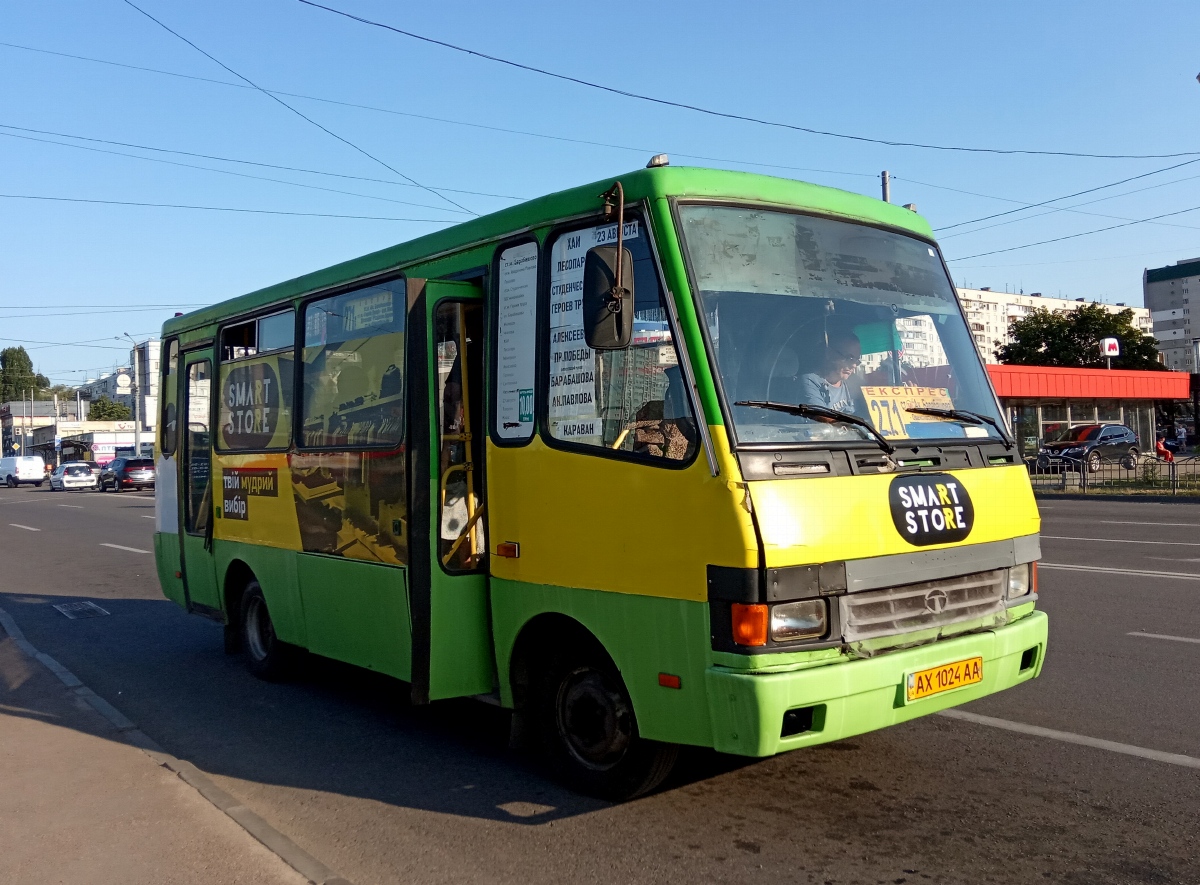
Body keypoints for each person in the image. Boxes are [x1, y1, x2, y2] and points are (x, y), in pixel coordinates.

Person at [800, 329, 862, 415]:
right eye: (849, 358)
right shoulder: (810, 381)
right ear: (829, 353)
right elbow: (822, 418)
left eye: (857, 361)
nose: (854, 365)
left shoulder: (855, 382)